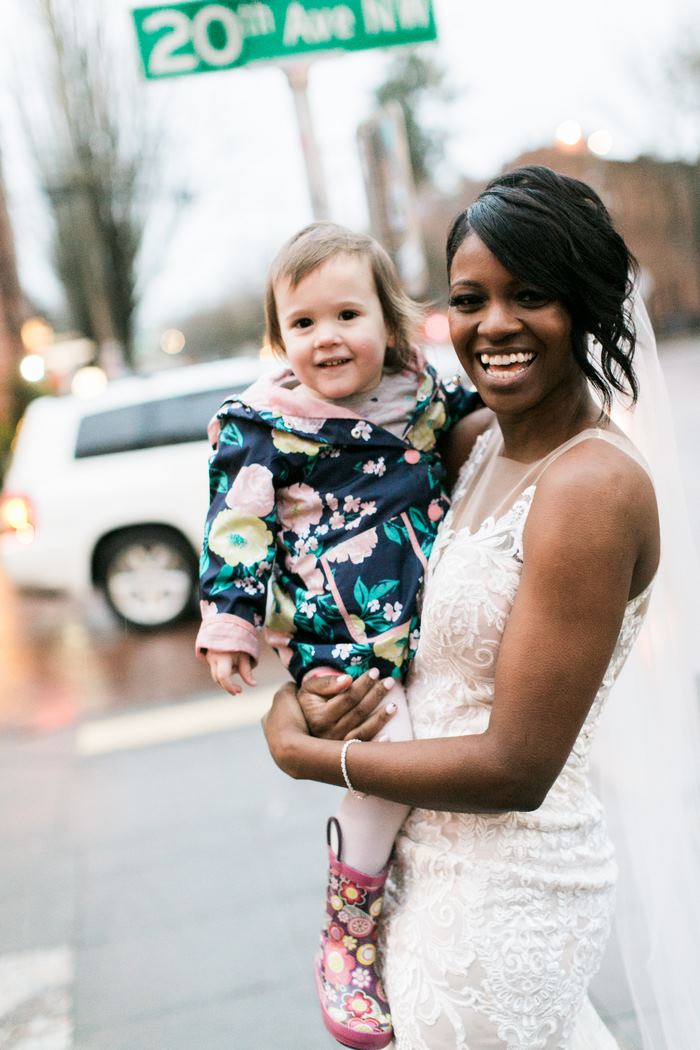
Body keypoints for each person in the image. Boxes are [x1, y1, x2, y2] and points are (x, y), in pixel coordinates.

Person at [262, 166, 678, 1049]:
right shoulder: (475, 443)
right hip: (422, 868)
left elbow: (516, 766)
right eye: (469, 299)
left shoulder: (591, 487)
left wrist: (312, 755)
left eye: (530, 295)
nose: (493, 324)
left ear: (586, 303)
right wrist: (315, 691)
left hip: (506, 895)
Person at [195, 222, 480, 1048]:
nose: (326, 338)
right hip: (339, 639)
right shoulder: (265, 425)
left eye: (347, 315)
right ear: (279, 338)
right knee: (392, 766)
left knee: (437, 759)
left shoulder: (420, 395)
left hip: (428, 620)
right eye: (304, 322)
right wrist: (232, 624)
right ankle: (347, 934)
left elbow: (483, 421)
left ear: (390, 322)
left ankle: (404, 919)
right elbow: (237, 527)